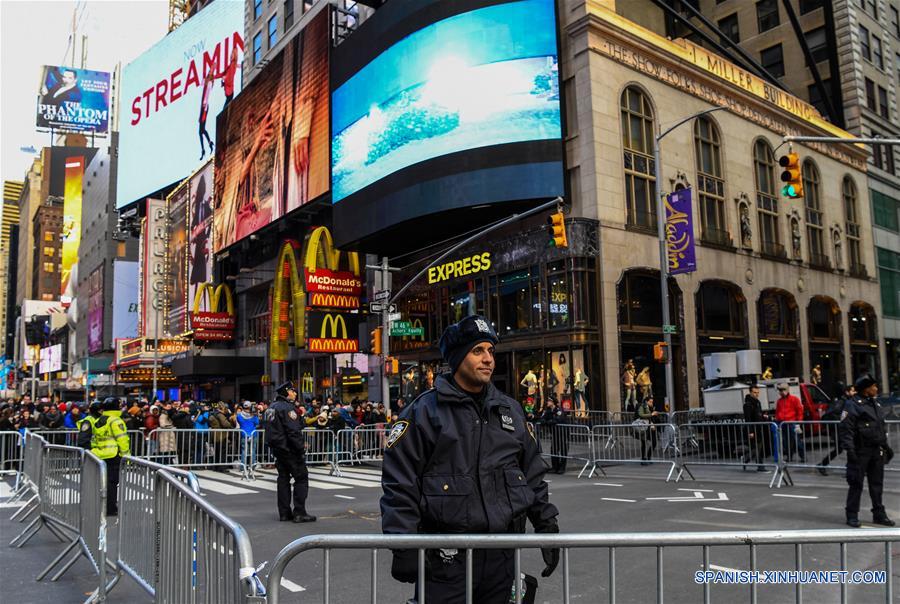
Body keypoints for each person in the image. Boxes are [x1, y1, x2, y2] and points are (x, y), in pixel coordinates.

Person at [381, 315, 559, 603]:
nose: (488, 358)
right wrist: (404, 545)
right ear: (457, 357)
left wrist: (547, 525)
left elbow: (532, 474)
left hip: (502, 558)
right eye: (478, 351)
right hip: (445, 560)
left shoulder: (510, 411)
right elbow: (400, 481)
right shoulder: (424, 412)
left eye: (491, 350)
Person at [840, 375, 894, 527]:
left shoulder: (874, 403)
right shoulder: (852, 405)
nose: (876, 389)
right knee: (856, 484)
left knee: (876, 484)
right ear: (866, 389)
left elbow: (879, 427)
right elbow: (846, 430)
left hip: (876, 450)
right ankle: (851, 514)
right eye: (874, 386)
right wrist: (850, 451)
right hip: (860, 451)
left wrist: (885, 446)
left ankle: (879, 514)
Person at [265, 382, 315, 523]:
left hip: (278, 449)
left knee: (283, 480)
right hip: (290, 450)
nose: (295, 393)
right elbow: (293, 431)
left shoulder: (271, 408)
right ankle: (299, 512)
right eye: (293, 391)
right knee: (301, 478)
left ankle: (284, 513)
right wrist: (300, 448)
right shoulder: (287, 408)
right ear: (287, 392)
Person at [88, 398, 130, 516]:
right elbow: (122, 439)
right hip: (113, 455)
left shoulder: (98, 421)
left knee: (102, 482)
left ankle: (102, 506)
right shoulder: (116, 421)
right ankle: (111, 508)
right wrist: (126, 456)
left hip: (99, 455)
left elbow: (95, 440)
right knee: (112, 483)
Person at [818, 383, 855, 475]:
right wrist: (845, 419)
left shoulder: (848, 401)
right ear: (847, 392)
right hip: (840, 430)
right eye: (853, 391)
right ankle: (850, 469)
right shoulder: (842, 402)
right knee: (849, 448)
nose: (855, 392)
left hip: (843, 430)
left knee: (841, 449)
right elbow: (836, 414)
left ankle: (822, 464)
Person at [774, 382, 805, 462]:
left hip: (792, 422)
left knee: (796, 440)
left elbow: (800, 411)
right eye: (780, 390)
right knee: (786, 441)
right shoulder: (779, 401)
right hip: (783, 423)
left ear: (786, 390)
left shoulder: (794, 399)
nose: (780, 392)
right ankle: (790, 456)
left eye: (782, 390)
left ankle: (802, 456)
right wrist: (777, 421)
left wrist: (798, 423)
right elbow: (777, 412)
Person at [742, 385, 769, 471]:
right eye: (754, 392)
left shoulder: (758, 402)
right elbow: (748, 419)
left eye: (758, 393)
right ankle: (760, 466)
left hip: (759, 428)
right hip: (753, 429)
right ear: (750, 392)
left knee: (757, 448)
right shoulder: (747, 404)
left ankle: (745, 459)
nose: (756, 394)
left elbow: (758, 414)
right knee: (757, 448)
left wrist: (763, 416)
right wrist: (750, 431)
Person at [540, 400, 568, 474]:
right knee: (554, 450)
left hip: (562, 433)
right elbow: (542, 418)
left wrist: (549, 422)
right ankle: (555, 467)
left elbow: (558, 419)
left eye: (549, 401)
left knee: (563, 450)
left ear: (553, 403)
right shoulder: (548, 410)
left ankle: (562, 468)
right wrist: (544, 421)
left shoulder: (559, 410)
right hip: (554, 433)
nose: (547, 402)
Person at [636, 396, 659, 465]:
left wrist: (655, 414)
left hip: (651, 427)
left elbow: (652, 417)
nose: (651, 403)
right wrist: (651, 414)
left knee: (654, 442)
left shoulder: (652, 407)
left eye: (652, 402)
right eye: (650, 401)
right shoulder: (642, 406)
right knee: (644, 443)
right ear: (646, 401)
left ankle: (649, 457)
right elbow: (640, 414)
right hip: (644, 427)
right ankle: (643, 459)